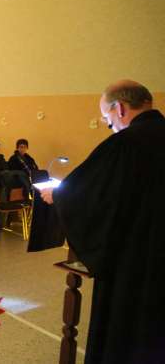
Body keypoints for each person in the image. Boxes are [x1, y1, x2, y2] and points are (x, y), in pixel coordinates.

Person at [41, 80, 164, 364]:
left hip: (136, 263)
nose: (111, 126)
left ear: (119, 108)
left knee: (127, 334)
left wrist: (59, 197)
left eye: (108, 121)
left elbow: (90, 197)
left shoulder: (126, 144)